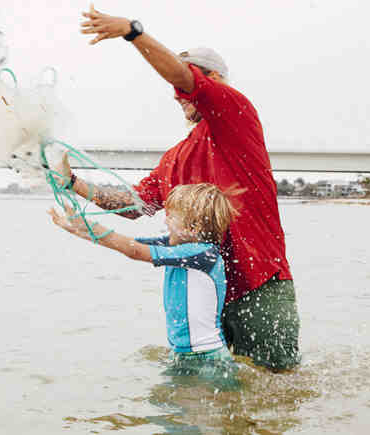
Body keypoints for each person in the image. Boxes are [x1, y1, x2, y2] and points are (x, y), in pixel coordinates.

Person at [54, 5, 300, 370]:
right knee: (228, 401)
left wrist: (131, 32)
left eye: (185, 82)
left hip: (260, 286)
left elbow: (186, 81)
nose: (175, 93)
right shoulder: (174, 158)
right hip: (210, 293)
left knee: (279, 389)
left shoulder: (236, 115)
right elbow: (133, 205)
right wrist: (73, 184)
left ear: (215, 79)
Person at [49, 183, 239, 380]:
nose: (165, 222)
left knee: (190, 409)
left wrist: (92, 225)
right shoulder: (176, 245)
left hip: (207, 359)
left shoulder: (202, 254)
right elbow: (125, 243)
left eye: (171, 216)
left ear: (194, 227)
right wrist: (76, 228)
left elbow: (134, 251)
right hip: (182, 354)